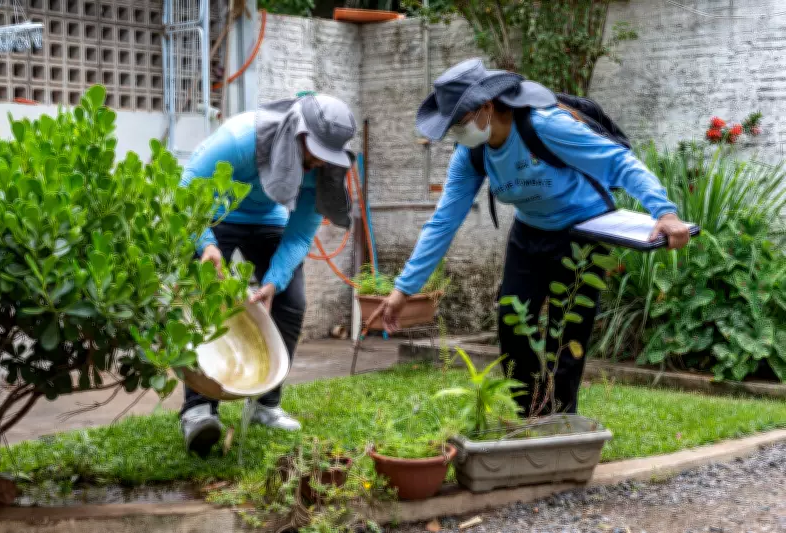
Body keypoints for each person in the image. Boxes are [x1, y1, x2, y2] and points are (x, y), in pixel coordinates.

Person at [382, 58, 691, 416]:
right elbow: (443, 222)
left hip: (583, 232)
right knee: (512, 327)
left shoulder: (545, 126)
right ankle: (529, 416)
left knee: (567, 335)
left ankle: (561, 421)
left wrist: (665, 213)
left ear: (486, 107)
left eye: (460, 122)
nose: (457, 133)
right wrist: (403, 289)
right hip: (530, 233)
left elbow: (618, 161)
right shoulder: (471, 154)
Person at [179, 93, 357, 457]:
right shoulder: (240, 139)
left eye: (326, 156)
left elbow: (301, 232)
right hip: (214, 216)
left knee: (292, 301)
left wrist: (274, 280)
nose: (317, 162)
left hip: (268, 220)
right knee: (202, 298)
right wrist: (206, 244)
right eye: (314, 151)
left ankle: (266, 405)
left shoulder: (321, 168)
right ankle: (197, 410)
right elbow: (188, 187)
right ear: (298, 133)